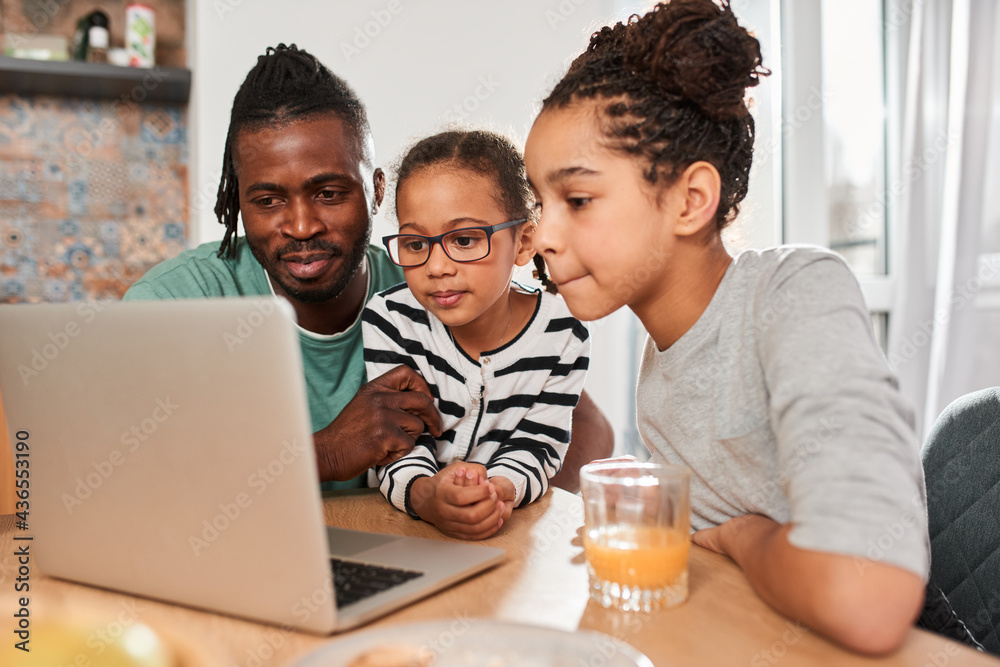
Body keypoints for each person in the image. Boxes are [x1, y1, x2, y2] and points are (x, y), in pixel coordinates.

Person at [524, 0, 928, 655]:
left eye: (576, 200)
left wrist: (743, 534)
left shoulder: (794, 292)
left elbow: (866, 594)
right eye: (539, 203)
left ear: (690, 201)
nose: (541, 235)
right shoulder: (662, 362)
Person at [124, 44, 611, 490]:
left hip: (405, 564)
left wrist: (496, 505)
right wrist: (326, 453)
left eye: (329, 193)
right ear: (237, 202)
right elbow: (112, 466)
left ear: (377, 191)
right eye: (268, 199)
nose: (301, 226)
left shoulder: (432, 289)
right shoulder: (175, 303)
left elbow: (586, 428)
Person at [363, 130, 590, 540]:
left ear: (524, 242)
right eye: (415, 244)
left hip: (506, 532)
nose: (436, 267)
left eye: (464, 240)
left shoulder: (562, 335)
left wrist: (500, 490)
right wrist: (425, 495)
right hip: (400, 531)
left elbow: (540, 445)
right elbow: (391, 444)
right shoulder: (391, 320)